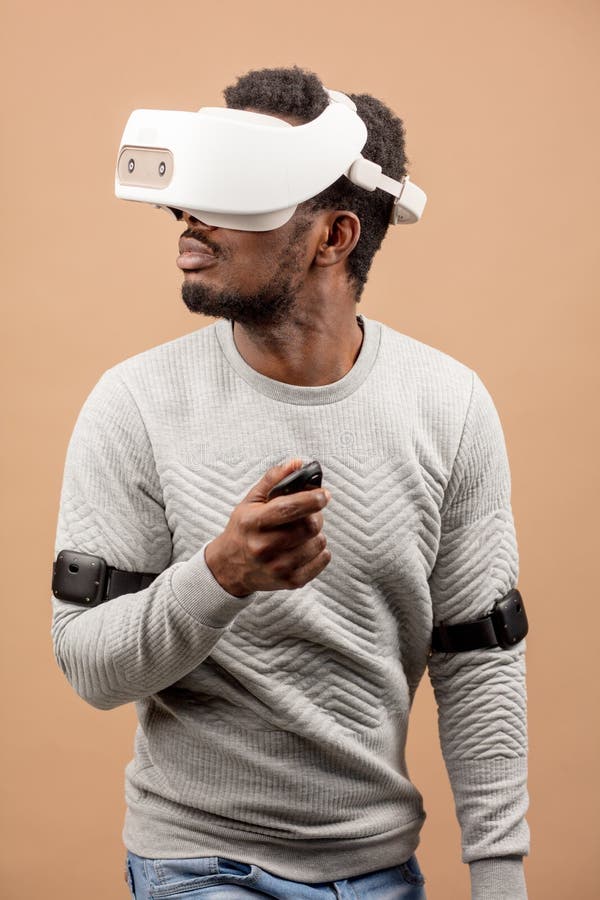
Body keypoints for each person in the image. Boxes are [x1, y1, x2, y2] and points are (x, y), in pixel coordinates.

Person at [51, 65, 529, 899]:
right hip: (198, 863)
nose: (189, 219)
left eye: (236, 189)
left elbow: (478, 657)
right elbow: (90, 665)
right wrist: (220, 577)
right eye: (194, 185)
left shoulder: (448, 406)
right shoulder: (135, 404)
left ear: (334, 236)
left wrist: (498, 876)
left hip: (379, 867)